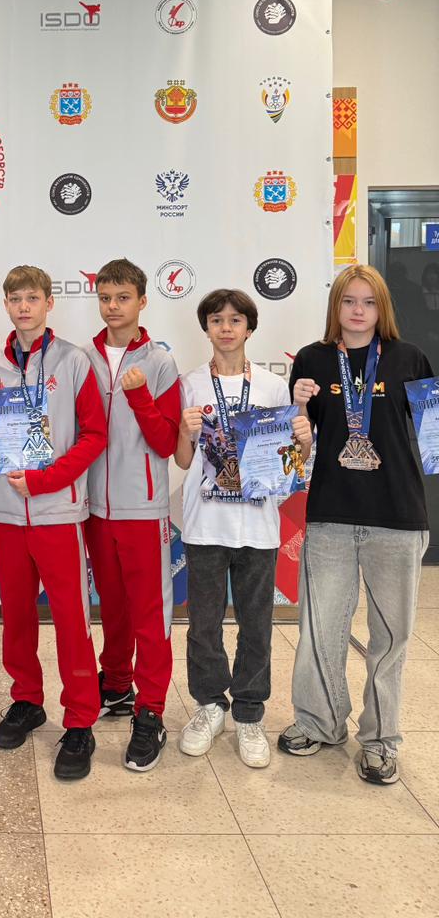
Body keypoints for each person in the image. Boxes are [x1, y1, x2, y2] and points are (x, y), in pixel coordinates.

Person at [280, 264, 432, 785]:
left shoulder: (409, 358)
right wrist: (297, 414)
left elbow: (432, 437)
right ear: (336, 307)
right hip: (331, 515)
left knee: (391, 636)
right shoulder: (313, 360)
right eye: (349, 301)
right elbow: (297, 453)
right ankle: (318, 723)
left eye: (368, 301)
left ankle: (380, 740)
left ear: (381, 307)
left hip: (397, 516)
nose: (359, 310)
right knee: (320, 629)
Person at [0, 265, 107, 780]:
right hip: (6, 511)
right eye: (15, 299)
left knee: (70, 620)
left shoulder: (73, 360)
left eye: (32, 298)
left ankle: (81, 719)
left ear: (49, 303)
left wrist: (47, 481)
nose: (24, 307)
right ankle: (27, 699)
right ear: (5, 305)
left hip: (57, 511)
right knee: (17, 616)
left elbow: (94, 435)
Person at [176, 288, 312, 768]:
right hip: (205, 524)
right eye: (217, 320)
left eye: (236, 320)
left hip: (257, 525)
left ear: (249, 328)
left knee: (256, 625)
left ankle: (250, 713)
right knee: (203, 626)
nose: (226, 328)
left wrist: (304, 437)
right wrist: (185, 431)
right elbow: (182, 460)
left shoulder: (273, 388)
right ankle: (211, 706)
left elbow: (292, 465)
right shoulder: (190, 384)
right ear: (206, 328)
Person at [83, 258, 181, 772]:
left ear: (142, 301)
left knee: (150, 613)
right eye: (105, 298)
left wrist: (140, 395)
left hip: (143, 508)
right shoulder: (82, 358)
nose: (112, 307)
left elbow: (166, 443)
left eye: (122, 297)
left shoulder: (160, 362)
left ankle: (152, 710)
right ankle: (118, 684)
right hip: (93, 507)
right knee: (113, 606)